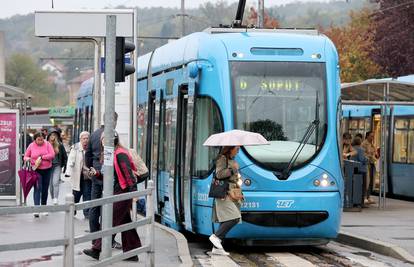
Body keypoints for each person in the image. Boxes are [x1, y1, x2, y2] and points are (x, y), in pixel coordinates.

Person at [83, 132, 141, 261]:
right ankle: (132, 253)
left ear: (113, 140)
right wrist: (97, 173)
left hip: (123, 191)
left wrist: (133, 193)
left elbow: (128, 174)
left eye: (106, 138)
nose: (103, 141)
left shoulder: (120, 153)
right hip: (119, 190)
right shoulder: (111, 153)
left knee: (110, 220)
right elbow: (109, 176)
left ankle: (97, 249)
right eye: (102, 139)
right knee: (125, 223)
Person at [85, 112, 121, 249]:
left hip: (95, 173)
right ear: (114, 121)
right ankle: (109, 240)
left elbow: (87, 154)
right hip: (109, 174)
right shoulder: (113, 134)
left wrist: (90, 169)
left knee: (95, 206)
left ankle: (95, 239)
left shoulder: (94, 134)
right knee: (111, 207)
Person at [209, 146, 243, 256]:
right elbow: (219, 174)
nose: (238, 151)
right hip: (224, 193)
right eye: (236, 149)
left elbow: (232, 176)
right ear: (230, 148)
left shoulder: (232, 160)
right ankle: (216, 237)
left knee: (226, 219)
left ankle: (216, 248)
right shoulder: (222, 159)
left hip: (232, 192)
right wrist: (233, 169)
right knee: (234, 217)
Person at [23, 132, 55, 218]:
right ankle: (36, 209)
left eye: (42, 139)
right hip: (36, 170)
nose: (40, 141)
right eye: (38, 140)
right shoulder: (31, 146)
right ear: (35, 139)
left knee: (45, 189)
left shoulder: (48, 144)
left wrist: (42, 157)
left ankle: (43, 207)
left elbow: (52, 155)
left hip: (47, 169)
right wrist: (30, 159)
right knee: (37, 188)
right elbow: (25, 157)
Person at [65, 131, 92, 218]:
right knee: (76, 194)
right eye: (84, 138)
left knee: (87, 194)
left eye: (87, 138)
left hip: (87, 176)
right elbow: (71, 161)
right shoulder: (75, 147)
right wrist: (68, 172)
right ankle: (73, 211)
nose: (85, 140)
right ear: (80, 139)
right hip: (77, 175)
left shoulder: (90, 147)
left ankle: (87, 213)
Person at [47, 128, 68, 205]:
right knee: (50, 184)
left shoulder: (59, 145)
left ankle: (55, 198)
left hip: (57, 166)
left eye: (55, 135)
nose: (53, 137)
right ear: (48, 136)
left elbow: (65, 156)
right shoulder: (45, 145)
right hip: (48, 167)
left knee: (55, 182)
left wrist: (65, 166)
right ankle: (53, 198)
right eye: (52, 135)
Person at [350, 136, 368, 207]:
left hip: (353, 169)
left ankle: (354, 201)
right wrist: (366, 159)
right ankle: (361, 203)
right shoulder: (361, 150)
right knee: (362, 186)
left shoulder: (352, 148)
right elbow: (361, 159)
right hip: (361, 169)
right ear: (360, 142)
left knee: (354, 186)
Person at [361, 131, 378, 204]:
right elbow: (363, 154)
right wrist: (370, 156)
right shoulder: (364, 144)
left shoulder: (372, 144)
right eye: (371, 136)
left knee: (371, 181)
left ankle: (369, 196)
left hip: (372, 164)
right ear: (367, 136)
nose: (372, 137)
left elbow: (374, 153)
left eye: (373, 136)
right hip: (367, 164)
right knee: (367, 181)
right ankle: (364, 197)